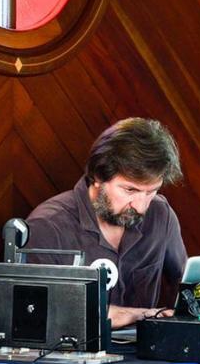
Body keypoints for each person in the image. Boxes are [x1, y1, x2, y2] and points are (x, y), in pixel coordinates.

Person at [25, 118, 187, 328]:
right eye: (130, 190)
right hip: (70, 357)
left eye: (151, 191)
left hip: (147, 356)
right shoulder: (47, 225)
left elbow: (188, 286)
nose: (140, 206)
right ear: (98, 176)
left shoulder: (160, 214)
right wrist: (133, 315)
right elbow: (35, 313)